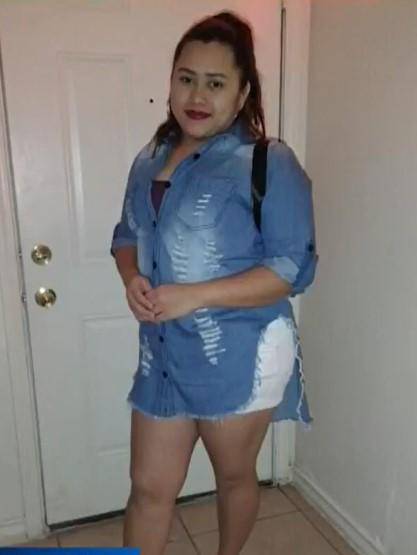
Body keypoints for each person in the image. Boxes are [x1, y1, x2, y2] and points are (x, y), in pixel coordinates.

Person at [111, 10, 318, 555]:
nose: (197, 95)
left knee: (233, 477)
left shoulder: (268, 162)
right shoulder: (149, 159)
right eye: (186, 78)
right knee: (148, 488)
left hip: (238, 355)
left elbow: (292, 268)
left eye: (216, 82)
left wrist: (195, 295)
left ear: (243, 91)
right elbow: (126, 235)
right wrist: (131, 277)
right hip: (161, 354)